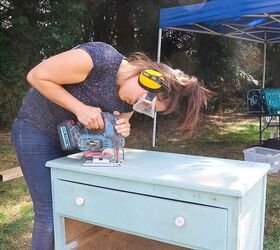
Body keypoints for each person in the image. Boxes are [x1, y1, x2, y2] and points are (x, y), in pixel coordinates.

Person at [11, 41, 213, 250]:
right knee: (49, 211)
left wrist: (123, 126)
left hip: (71, 139)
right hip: (36, 129)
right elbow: (36, 76)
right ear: (147, 78)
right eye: (141, 100)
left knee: (76, 205)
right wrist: (80, 109)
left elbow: (122, 119)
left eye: (145, 107)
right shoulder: (99, 58)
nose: (135, 104)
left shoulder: (129, 98)